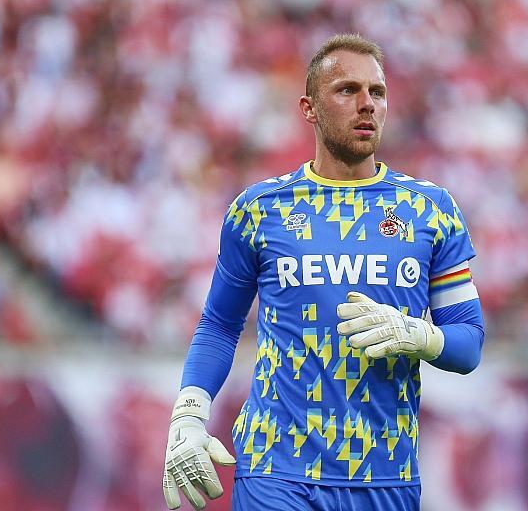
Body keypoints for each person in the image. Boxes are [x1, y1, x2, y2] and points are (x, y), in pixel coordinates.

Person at [162, 33, 485, 511]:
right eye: (347, 90)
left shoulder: (429, 209)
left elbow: (469, 342)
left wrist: (420, 335)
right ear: (309, 108)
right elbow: (220, 324)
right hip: (276, 469)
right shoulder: (260, 209)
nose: (367, 104)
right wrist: (188, 416)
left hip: (384, 474)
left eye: (377, 92)